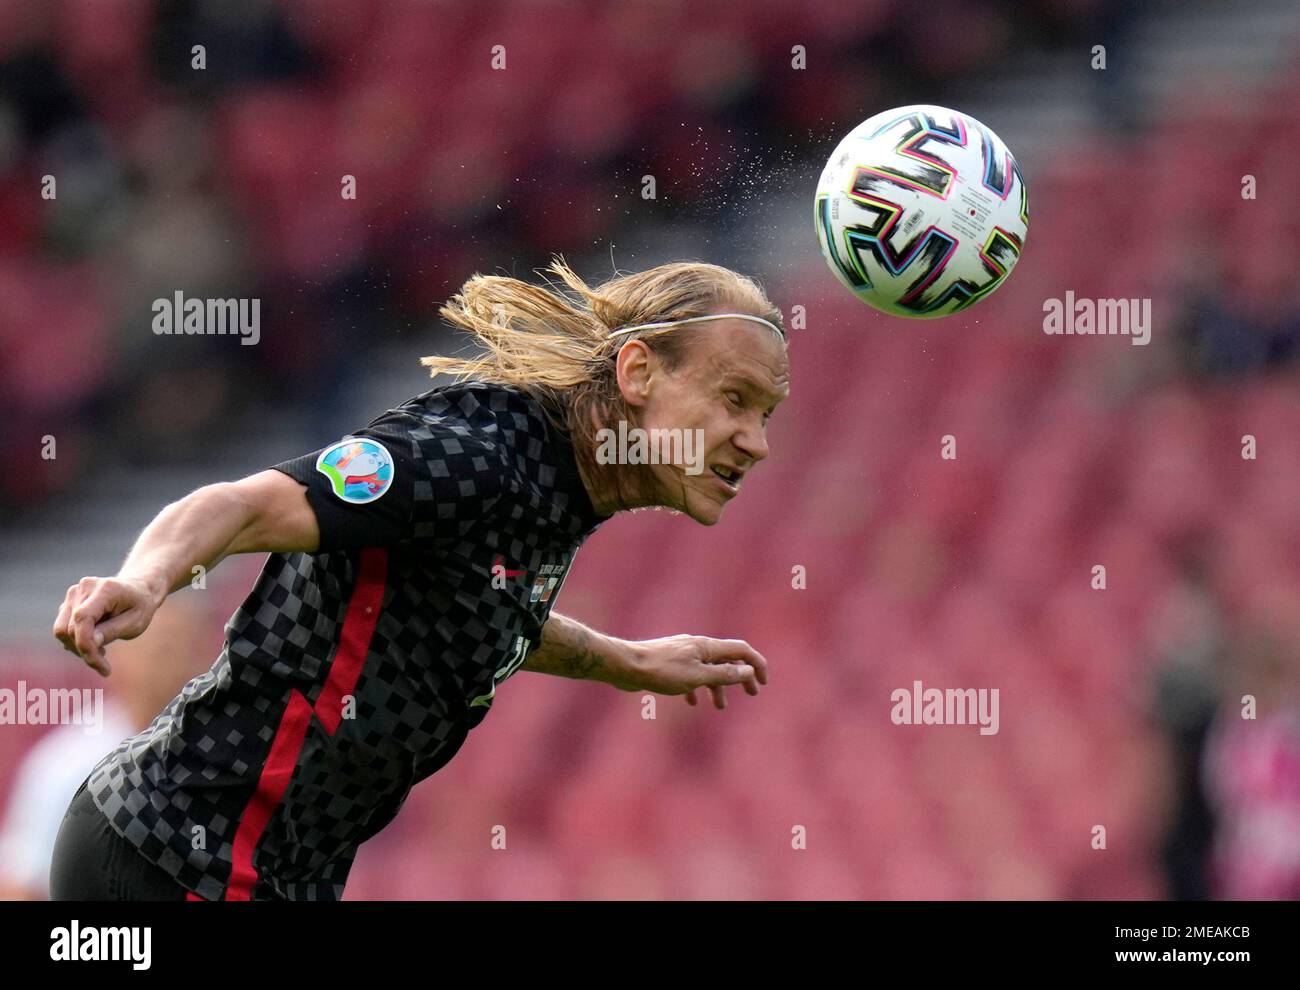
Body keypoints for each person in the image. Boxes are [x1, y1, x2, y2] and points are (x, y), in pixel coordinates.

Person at [48, 258, 790, 901]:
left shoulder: (567, 487)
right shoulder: (470, 458)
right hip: (170, 850)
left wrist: (626, 661)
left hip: (271, 873)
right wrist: (146, 580)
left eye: (766, 413)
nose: (755, 442)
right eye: (734, 399)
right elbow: (245, 505)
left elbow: (479, 600)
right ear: (636, 372)